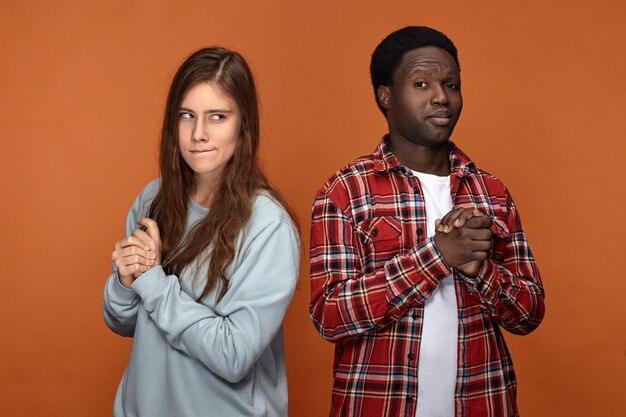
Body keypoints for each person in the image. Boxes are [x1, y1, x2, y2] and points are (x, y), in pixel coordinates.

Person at [309, 26, 545, 416]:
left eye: (451, 84)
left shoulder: (491, 192)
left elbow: (529, 314)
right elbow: (329, 316)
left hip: (483, 403)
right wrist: (438, 256)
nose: (441, 97)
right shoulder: (345, 191)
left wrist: (478, 270)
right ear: (386, 95)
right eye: (421, 83)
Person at [102, 47, 300, 417]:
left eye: (217, 117)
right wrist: (124, 284)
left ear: (244, 126)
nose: (198, 133)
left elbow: (233, 355)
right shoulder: (152, 198)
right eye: (187, 115)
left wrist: (154, 282)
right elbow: (124, 323)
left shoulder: (268, 225)